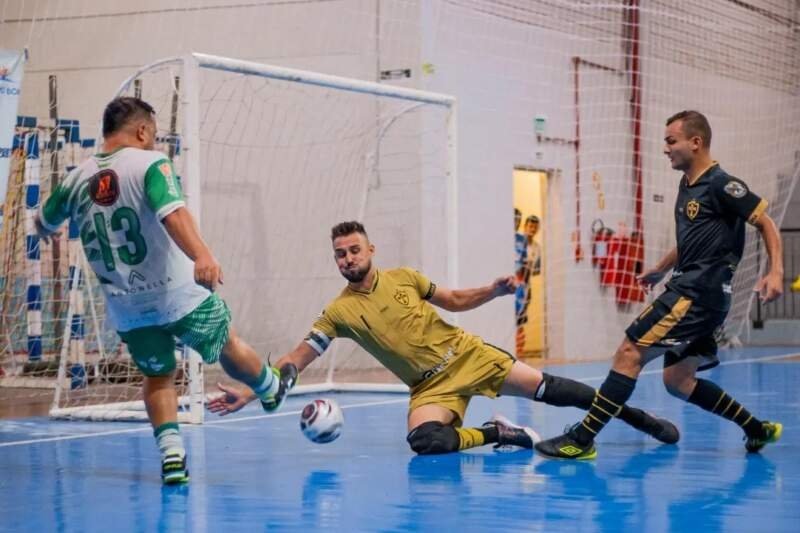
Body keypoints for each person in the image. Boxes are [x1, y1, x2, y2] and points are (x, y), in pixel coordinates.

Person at [208, 221, 680, 455]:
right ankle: (500, 433)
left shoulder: (405, 277)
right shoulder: (337, 312)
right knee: (425, 440)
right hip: (429, 387)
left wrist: (493, 291)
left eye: (354, 250)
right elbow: (297, 357)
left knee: (556, 391)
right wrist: (254, 388)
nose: (347, 258)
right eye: (340, 254)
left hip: (468, 356)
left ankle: (640, 419)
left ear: (371, 249)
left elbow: (452, 300)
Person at [34, 97, 288, 484]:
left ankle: (171, 457)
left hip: (127, 307)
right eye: (152, 133)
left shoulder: (74, 179)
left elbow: (43, 223)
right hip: (177, 294)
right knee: (226, 342)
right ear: (142, 131)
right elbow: (173, 213)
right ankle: (268, 388)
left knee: (158, 376)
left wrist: (54, 226)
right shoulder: (151, 163)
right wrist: (202, 254)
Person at [535, 110, 784, 460]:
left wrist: (776, 271)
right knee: (678, 381)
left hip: (695, 294)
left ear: (695, 142)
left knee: (629, 352)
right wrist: (659, 269)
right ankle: (756, 429)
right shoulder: (688, 186)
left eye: (671, 141)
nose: (665, 149)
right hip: (700, 295)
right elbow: (691, 241)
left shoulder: (722, 184)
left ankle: (582, 439)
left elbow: (766, 223)